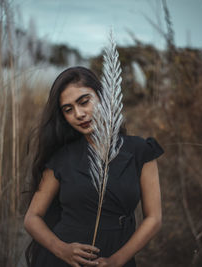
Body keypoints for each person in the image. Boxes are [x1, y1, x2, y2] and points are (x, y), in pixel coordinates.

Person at [24, 66, 164, 267]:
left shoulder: (140, 151)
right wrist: (62, 250)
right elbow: (32, 218)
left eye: (84, 102)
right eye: (68, 109)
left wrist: (117, 261)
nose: (79, 114)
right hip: (62, 261)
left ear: (102, 97)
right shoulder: (62, 158)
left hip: (118, 257)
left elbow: (154, 218)